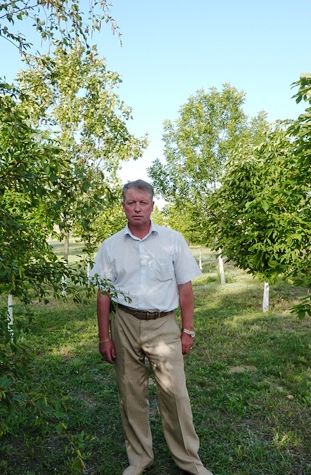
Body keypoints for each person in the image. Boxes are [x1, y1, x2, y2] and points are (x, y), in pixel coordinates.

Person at [90, 179, 213, 475]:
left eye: (142, 202)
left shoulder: (173, 240)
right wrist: (104, 337)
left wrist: (188, 330)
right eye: (131, 202)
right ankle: (140, 459)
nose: (137, 208)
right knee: (131, 394)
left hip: (164, 325)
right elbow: (103, 293)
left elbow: (185, 288)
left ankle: (189, 460)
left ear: (152, 205)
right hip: (126, 323)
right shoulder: (111, 246)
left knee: (175, 394)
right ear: (122, 206)